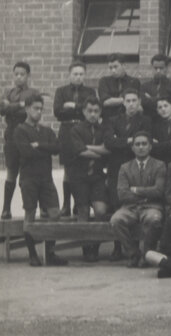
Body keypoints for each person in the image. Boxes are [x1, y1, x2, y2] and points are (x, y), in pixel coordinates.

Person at [15, 94, 68, 266]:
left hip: (46, 179)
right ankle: (32, 255)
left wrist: (39, 145)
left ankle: (50, 252)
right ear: (27, 109)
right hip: (29, 179)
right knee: (30, 214)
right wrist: (46, 150)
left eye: (40, 109)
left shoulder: (47, 131)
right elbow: (26, 153)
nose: (38, 111)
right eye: (35, 108)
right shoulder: (20, 130)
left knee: (55, 214)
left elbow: (58, 148)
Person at [110, 131, 167, 267]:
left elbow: (159, 191)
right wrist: (146, 195)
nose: (141, 147)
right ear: (132, 148)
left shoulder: (159, 165)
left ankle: (146, 254)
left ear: (150, 147)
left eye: (144, 144)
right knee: (116, 220)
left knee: (154, 219)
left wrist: (135, 190)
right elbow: (122, 194)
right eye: (137, 144)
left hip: (152, 206)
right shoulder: (125, 167)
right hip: (130, 207)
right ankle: (133, 254)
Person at [65, 97, 111, 261]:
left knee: (101, 211)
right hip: (79, 176)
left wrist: (88, 147)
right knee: (83, 211)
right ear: (84, 112)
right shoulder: (76, 129)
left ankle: (95, 246)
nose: (92, 114)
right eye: (89, 111)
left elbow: (108, 149)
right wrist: (98, 151)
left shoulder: (105, 129)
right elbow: (80, 152)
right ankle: (86, 249)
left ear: (100, 112)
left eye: (96, 111)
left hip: (97, 176)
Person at [54, 61, 97, 217]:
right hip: (66, 130)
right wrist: (80, 108)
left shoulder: (90, 91)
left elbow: (91, 109)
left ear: (84, 75)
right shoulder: (61, 91)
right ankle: (66, 204)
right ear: (69, 75)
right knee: (68, 169)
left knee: (81, 167)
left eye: (81, 74)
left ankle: (80, 204)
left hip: (84, 130)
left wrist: (72, 106)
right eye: (75, 74)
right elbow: (58, 112)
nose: (78, 77)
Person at [2, 61, 41, 219]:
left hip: (27, 133)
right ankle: (6, 209)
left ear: (28, 76)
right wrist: (20, 104)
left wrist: (11, 107)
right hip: (11, 134)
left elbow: (30, 112)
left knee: (28, 173)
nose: (19, 77)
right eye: (16, 74)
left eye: (22, 74)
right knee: (11, 171)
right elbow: (2, 109)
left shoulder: (33, 93)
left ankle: (29, 210)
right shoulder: (8, 92)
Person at [97, 53, 142, 121]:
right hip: (109, 119)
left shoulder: (134, 82)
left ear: (124, 65)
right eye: (110, 68)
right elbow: (105, 102)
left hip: (129, 120)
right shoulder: (104, 81)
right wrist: (127, 100)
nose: (113, 70)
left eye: (115, 67)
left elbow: (138, 104)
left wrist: (114, 100)